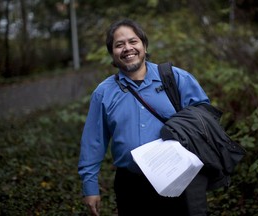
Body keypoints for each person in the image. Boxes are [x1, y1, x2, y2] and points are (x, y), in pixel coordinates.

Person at [78, 18, 210, 216]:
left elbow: (205, 119)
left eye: (133, 41)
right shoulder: (103, 93)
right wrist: (90, 187)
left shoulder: (175, 78)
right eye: (119, 45)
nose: (127, 48)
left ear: (144, 46)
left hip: (178, 178)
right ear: (112, 54)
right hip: (131, 185)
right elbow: (93, 141)